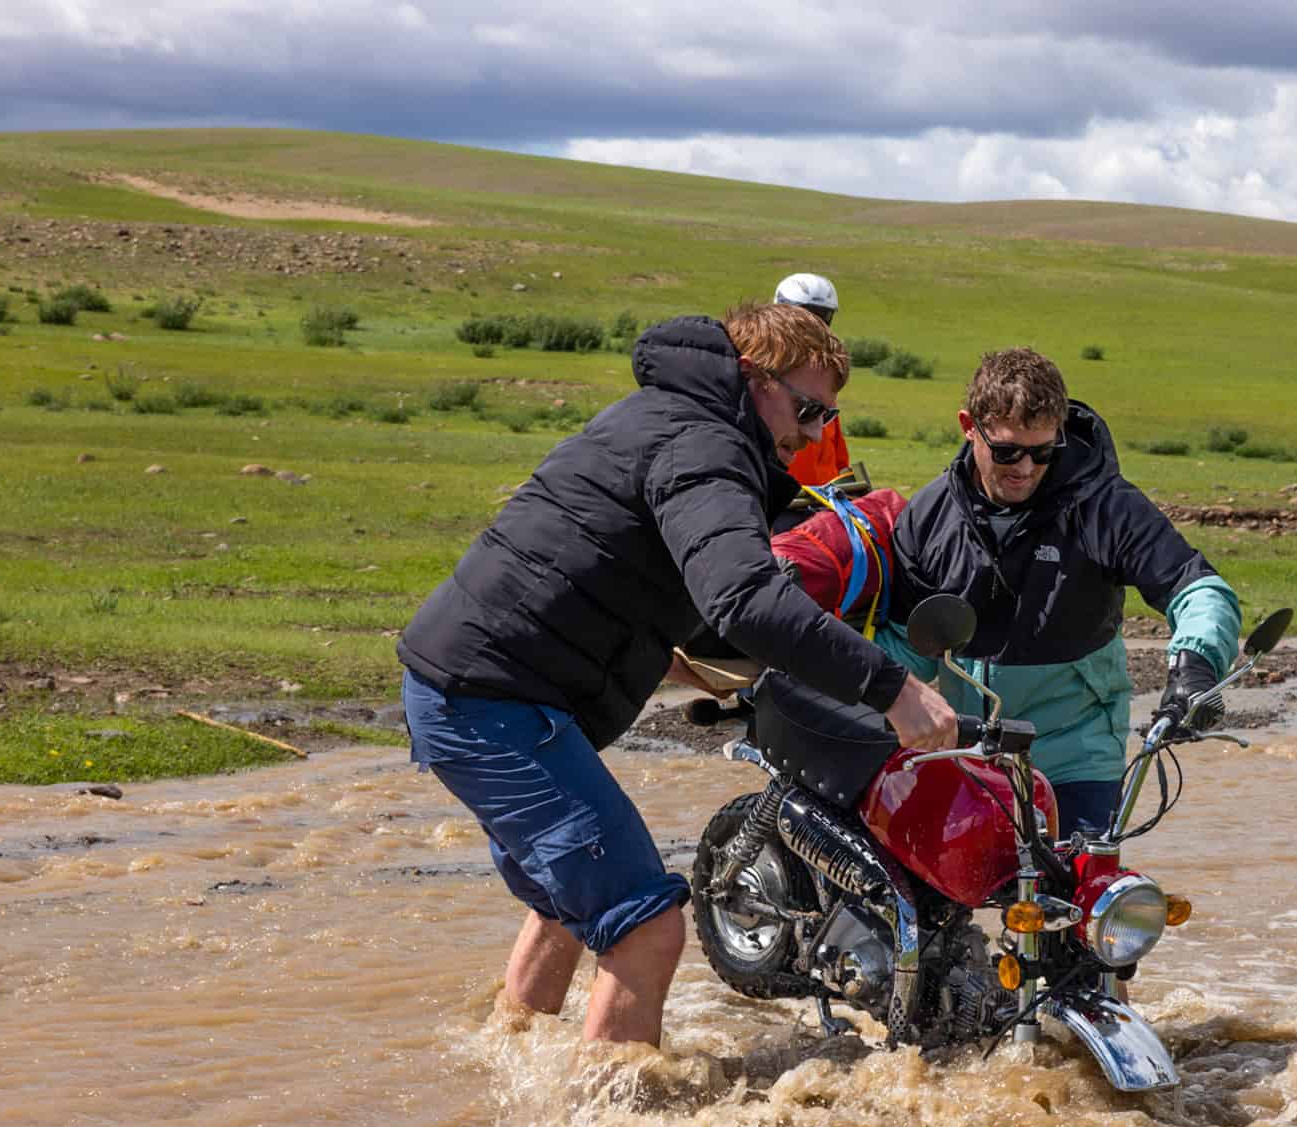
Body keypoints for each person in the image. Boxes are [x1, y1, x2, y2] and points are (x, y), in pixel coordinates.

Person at [397, 304, 957, 1046]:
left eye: (830, 414)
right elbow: (746, 596)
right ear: (755, 379)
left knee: (572, 906)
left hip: (469, 686)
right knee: (648, 928)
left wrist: (710, 664)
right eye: (810, 407)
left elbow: (655, 579)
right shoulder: (706, 444)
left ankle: (510, 1058)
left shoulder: (667, 416)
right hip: (494, 701)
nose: (817, 432)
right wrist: (894, 687)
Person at [882, 348, 1242, 835]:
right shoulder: (928, 516)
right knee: (932, 902)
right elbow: (909, 648)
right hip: (967, 753)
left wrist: (1196, 665)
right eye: (1008, 451)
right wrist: (831, 674)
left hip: (1079, 757)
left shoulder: (1106, 507)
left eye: (1043, 451)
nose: (1026, 468)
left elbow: (1197, 587)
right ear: (969, 425)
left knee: (1078, 899)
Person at [772, 273, 852, 488]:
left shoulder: (824, 382)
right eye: (806, 316)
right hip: (781, 505)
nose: (813, 327)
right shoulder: (764, 381)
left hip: (823, 506)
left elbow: (839, 459)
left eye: (822, 318)